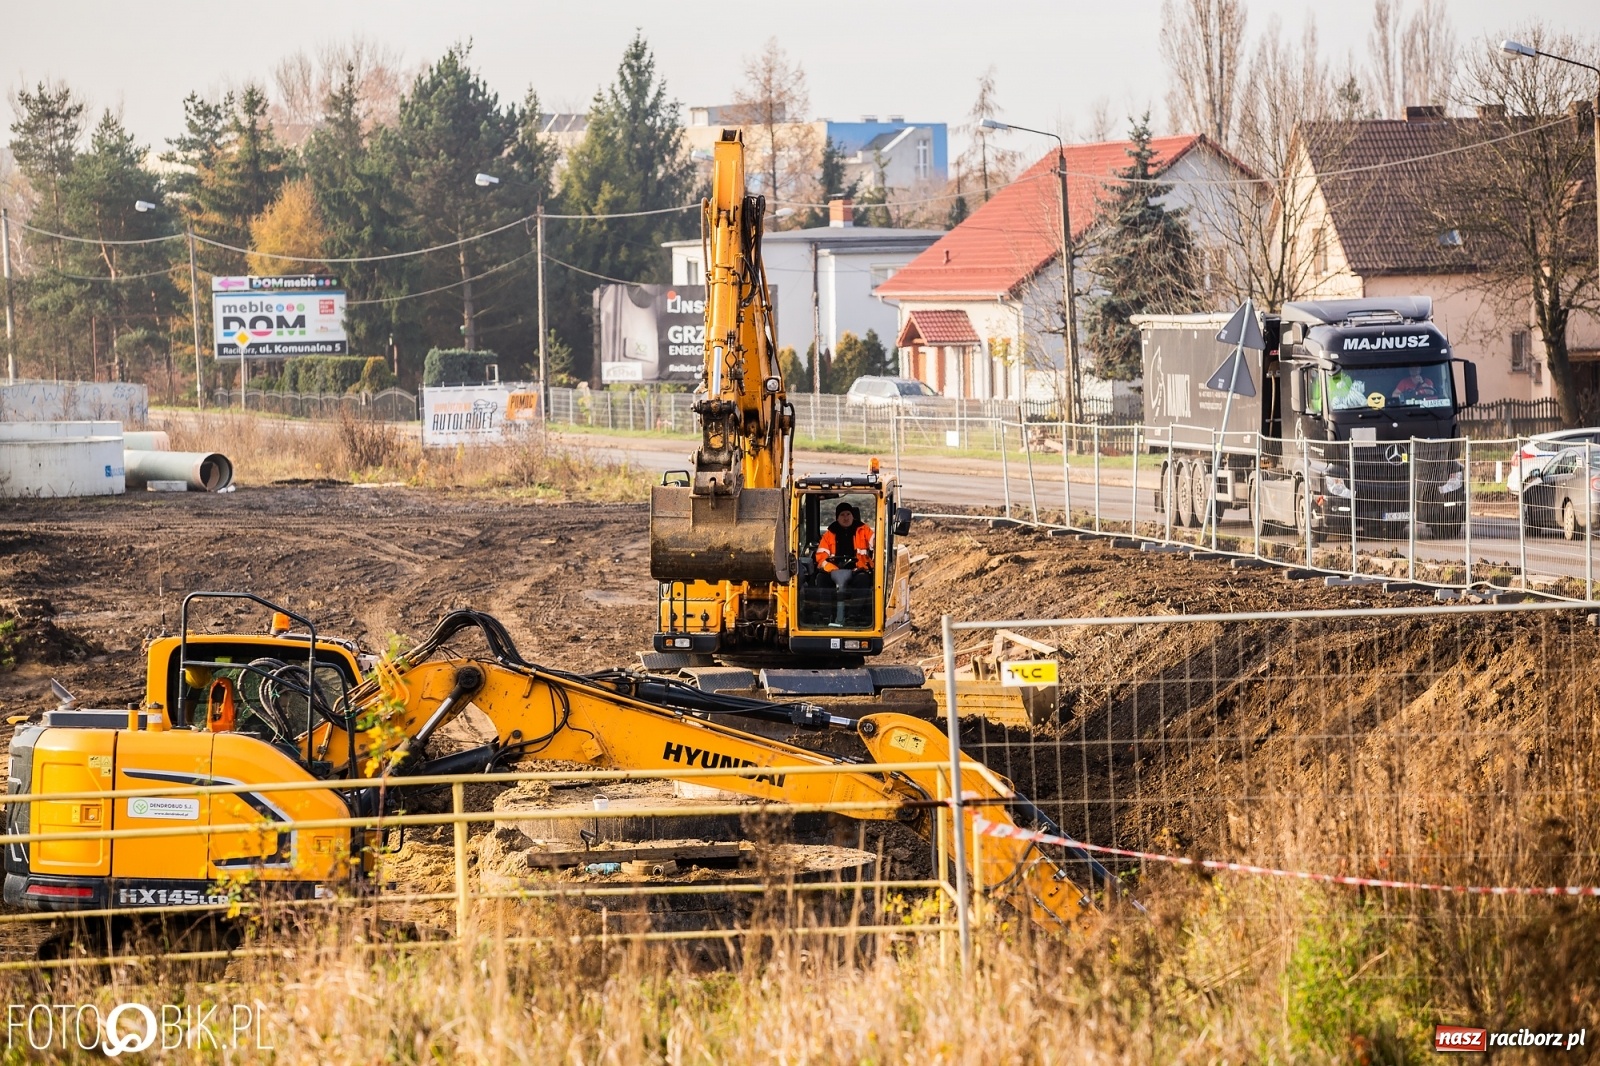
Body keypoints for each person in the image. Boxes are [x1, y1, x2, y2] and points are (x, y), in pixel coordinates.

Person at [815, 502, 874, 626]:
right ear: (837, 517)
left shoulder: (864, 530)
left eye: (848, 514)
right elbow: (821, 557)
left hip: (857, 570)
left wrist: (875, 544)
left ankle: (853, 615)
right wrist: (832, 570)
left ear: (853, 516)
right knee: (821, 579)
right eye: (842, 515)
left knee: (863, 580)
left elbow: (876, 543)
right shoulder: (829, 534)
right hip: (834, 571)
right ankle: (826, 615)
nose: (846, 517)